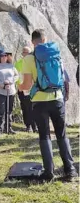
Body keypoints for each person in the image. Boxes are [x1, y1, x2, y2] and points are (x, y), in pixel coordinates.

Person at [19, 29, 78, 181]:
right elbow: (63, 77)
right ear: (45, 39)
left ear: (33, 42)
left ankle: (49, 173)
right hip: (57, 98)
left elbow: (27, 85)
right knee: (62, 134)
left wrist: (20, 87)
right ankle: (70, 171)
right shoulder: (56, 53)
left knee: (44, 135)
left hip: (39, 101)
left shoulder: (29, 59)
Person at [0, 50, 19, 137]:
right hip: (0, 92)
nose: (4, 57)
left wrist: (11, 82)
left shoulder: (11, 66)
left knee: (9, 110)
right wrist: (3, 84)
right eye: (2, 56)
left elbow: (17, 75)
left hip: (11, 91)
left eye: (5, 56)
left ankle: (9, 127)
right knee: (1, 111)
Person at [15, 47, 37, 133]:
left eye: (28, 53)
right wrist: (20, 86)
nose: (26, 54)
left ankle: (35, 126)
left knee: (33, 108)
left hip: (33, 89)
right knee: (25, 108)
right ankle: (28, 126)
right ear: (22, 54)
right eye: (25, 52)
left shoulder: (34, 62)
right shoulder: (18, 64)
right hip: (22, 89)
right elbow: (16, 76)